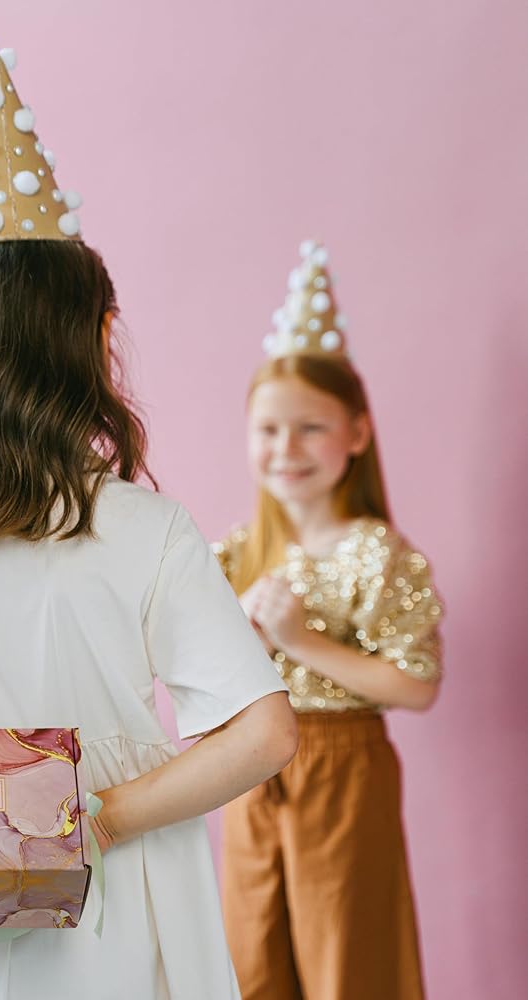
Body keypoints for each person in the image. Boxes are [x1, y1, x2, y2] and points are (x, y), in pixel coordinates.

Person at [0, 42, 298, 1000]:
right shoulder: (144, 528)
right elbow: (264, 734)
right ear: (84, 343)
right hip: (113, 913)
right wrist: (90, 816)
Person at [214, 240, 443, 1000]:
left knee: (346, 960)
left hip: (342, 773)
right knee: (251, 959)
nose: (286, 449)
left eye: (310, 428)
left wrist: (298, 641)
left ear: (357, 434)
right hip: (248, 770)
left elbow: (415, 684)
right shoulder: (235, 554)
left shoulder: (377, 554)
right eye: (268, 430)